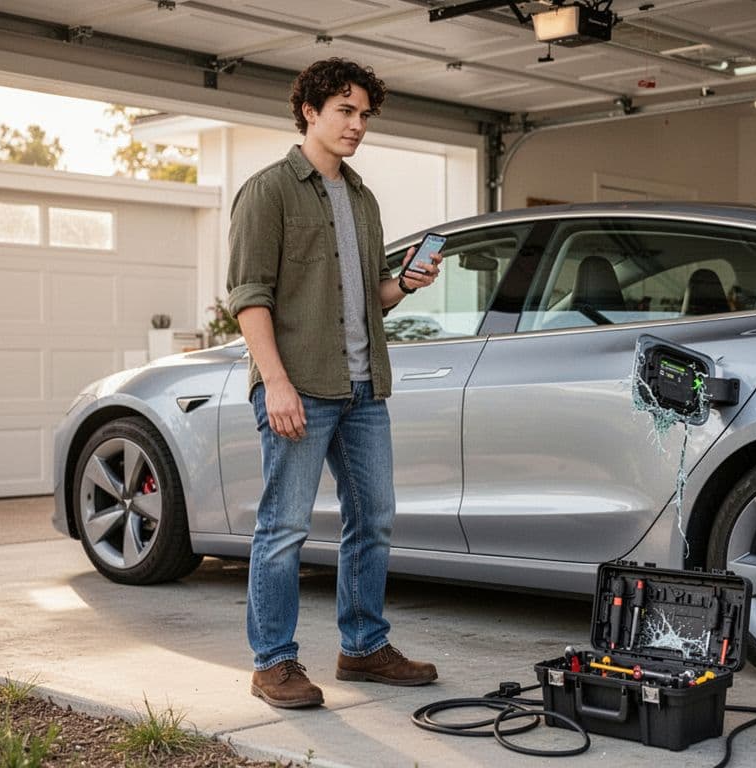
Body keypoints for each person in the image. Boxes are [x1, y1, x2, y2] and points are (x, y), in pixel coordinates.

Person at [225, 57, 441, 709]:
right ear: (310, 111)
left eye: (365, 114)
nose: (357, 125)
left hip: (362, 389)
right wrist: (277, 383)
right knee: (284, 527)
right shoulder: (269, 191)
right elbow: (250, 296)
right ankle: (274, 662)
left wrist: (403, 283)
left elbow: (367, 295)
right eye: (345, 111)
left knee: (373, 519)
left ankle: (364, 647)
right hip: (299, 387)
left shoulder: (363, 197)